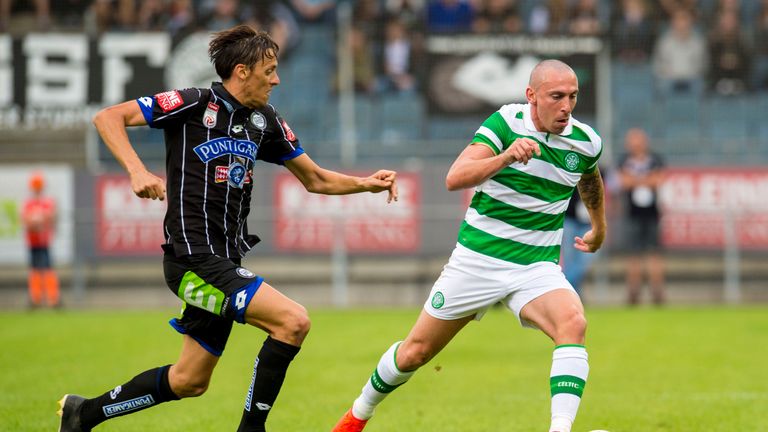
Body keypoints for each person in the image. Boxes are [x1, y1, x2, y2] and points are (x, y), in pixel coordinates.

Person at [57, 25, 398, 432]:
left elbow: (316, 180)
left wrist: (365, 183)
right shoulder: (192, 102)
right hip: (192, 259)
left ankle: (83, 414)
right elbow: (108, 117)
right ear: (241, 71)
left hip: (223, 261)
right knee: (293, 321)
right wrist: (136, 170)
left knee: (189, 381)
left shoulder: (265, 120)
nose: (276, 79)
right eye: (269, 70)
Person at [332, 59, 606, 432]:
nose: (566, 106)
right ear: (532, 95)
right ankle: (356, 416)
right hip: (478, 261)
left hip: (536, 266)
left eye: (572, 96)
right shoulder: (506, 124)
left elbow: (589, 180)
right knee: (416, 352)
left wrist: (599, 226)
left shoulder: (586, 141)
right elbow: (454, 178)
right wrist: (507, 156)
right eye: (556, 96)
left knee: (573, 322)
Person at [618, 128, 665, 305]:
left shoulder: (655, 159)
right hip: (632, 214)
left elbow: (658, 180)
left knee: (654, 254)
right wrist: (646, 180)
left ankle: (657, 294)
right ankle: (633, 295)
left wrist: (635, 180)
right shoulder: (624, 160)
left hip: (652, 214)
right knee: (633, 255)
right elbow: (623, 182)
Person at [21, 172, 60, 309]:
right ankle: (36, 299)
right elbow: (27, 220)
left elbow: (49, 216)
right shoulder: (30, 203)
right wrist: (38, 219)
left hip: (43, 241)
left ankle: (52, 299)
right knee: (35, 270)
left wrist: (37, 218)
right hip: (33, 241)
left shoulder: (45, 202)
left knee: (47, 269)